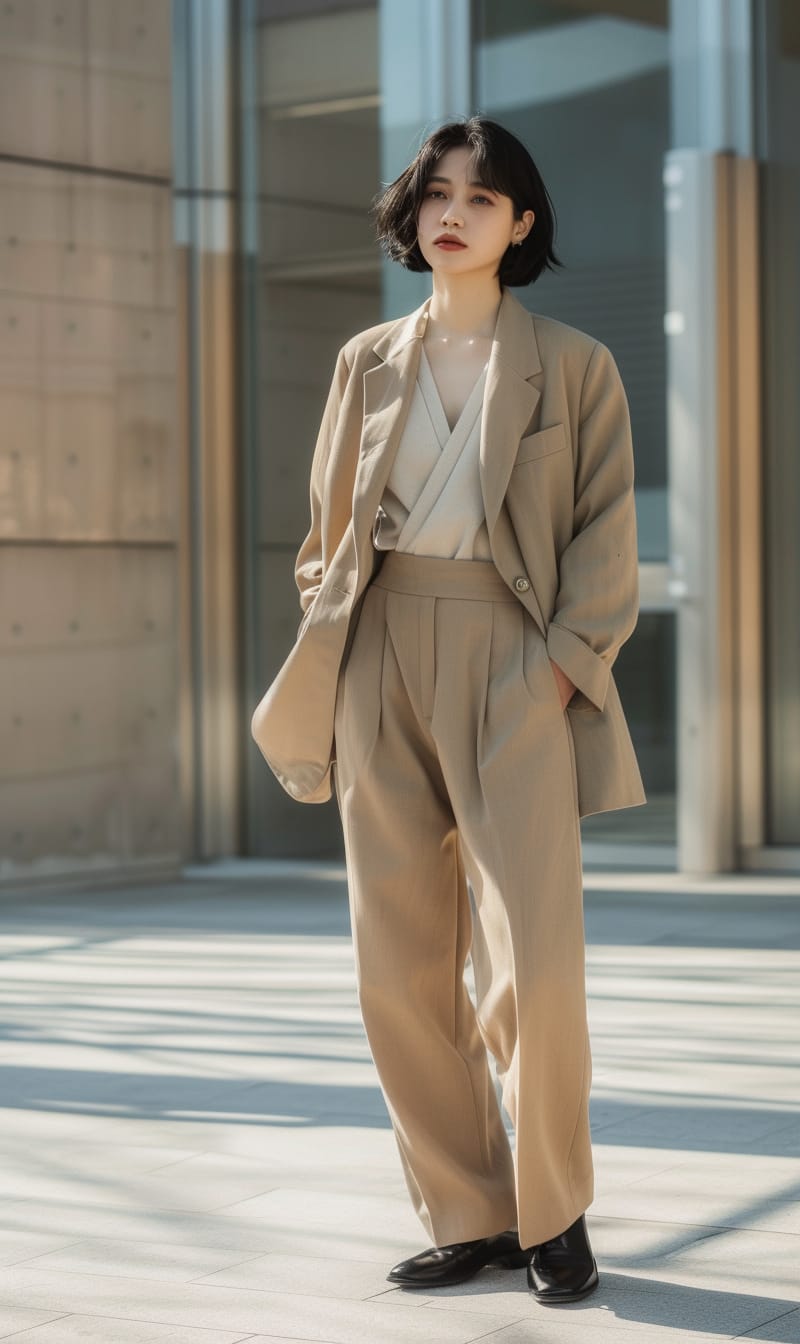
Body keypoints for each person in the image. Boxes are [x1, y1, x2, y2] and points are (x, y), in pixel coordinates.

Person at [251, 116, 645, 1305]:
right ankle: (465, 1209)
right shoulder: (367, 358)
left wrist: (561, 666)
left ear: (520, 224)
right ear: (410, 213)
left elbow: (604, 536)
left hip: (513, 658)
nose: (452, 212)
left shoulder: (573, 365)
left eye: (481, 197)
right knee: (400, 958)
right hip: (381, 652)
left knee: (533, 952)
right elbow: (325, 533)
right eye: (434, 193)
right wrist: (337, 630)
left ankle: (552, 1210)